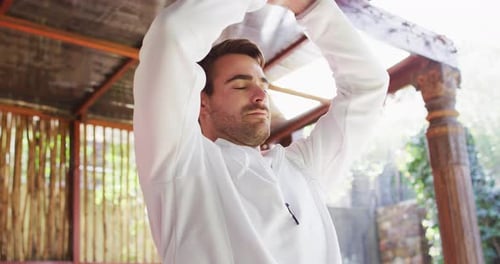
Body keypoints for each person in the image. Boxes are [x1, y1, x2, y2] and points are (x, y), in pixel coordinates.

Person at [133, 0, 389, 263]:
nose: (259, 96)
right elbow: (172, 35)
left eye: (263, 86)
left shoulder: (304, 168)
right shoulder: (182, 167)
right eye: (240, 86)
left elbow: (368, 87)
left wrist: (315, 9)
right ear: (202, 102)